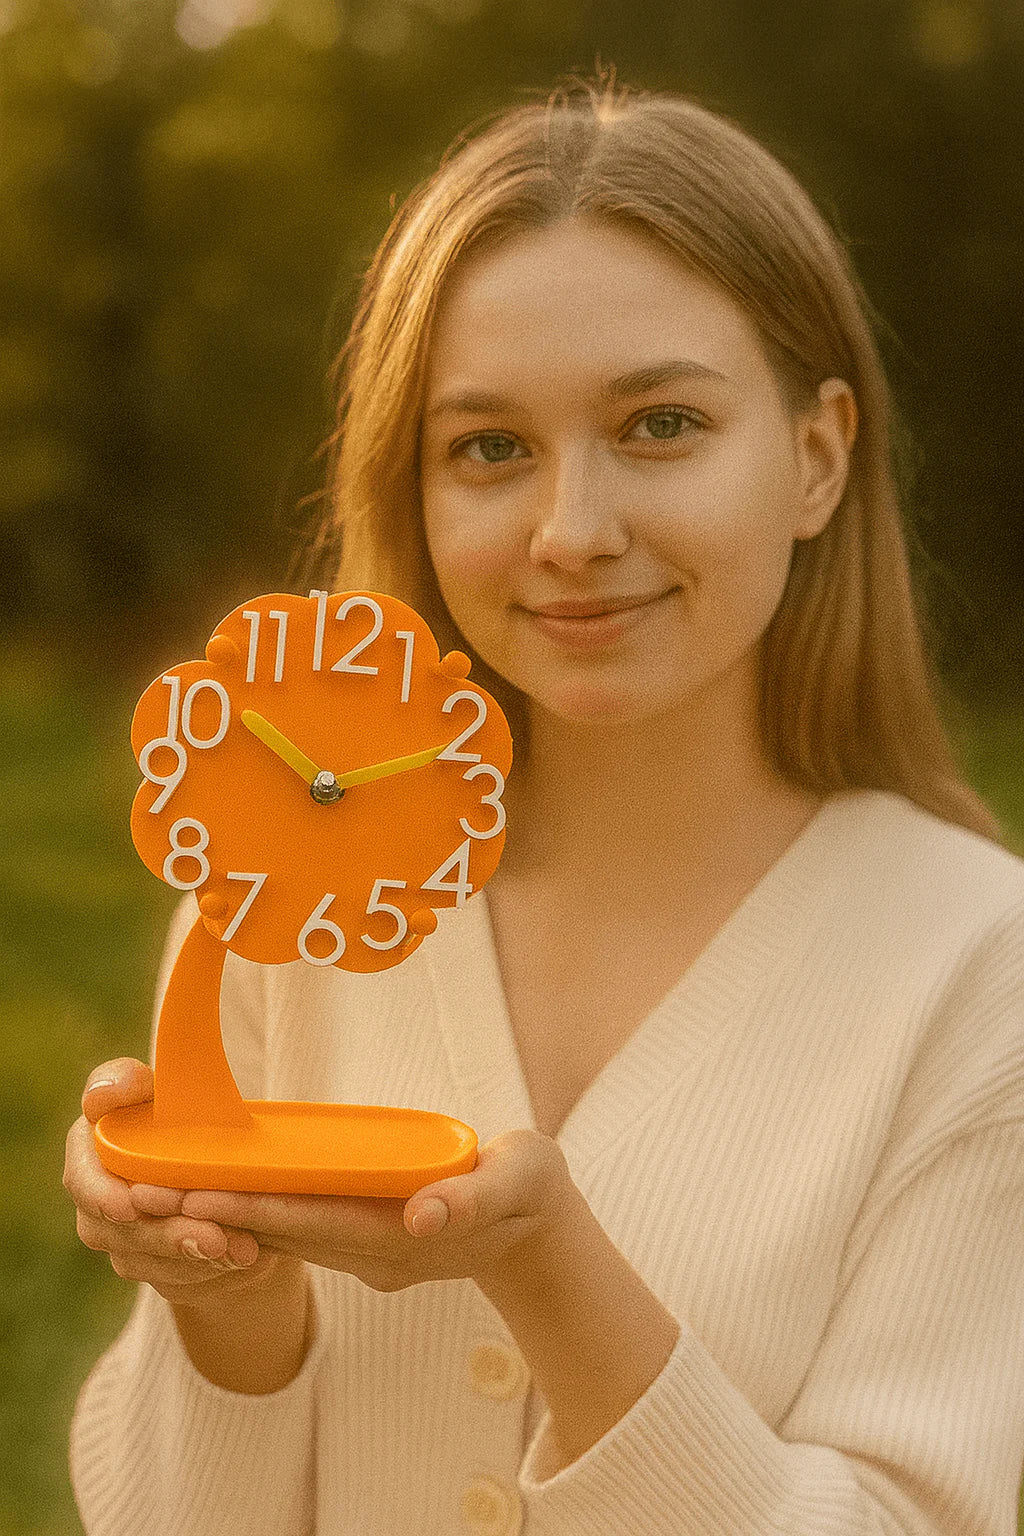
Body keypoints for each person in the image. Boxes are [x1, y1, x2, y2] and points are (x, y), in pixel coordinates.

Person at [65, 72, 1024, 1535]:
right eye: (490, 448)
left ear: (817, 458)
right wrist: (226, 1302)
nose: (572, 532)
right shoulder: (282, 889)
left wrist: (545, 1266)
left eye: (660, 424)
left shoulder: (980, 967)